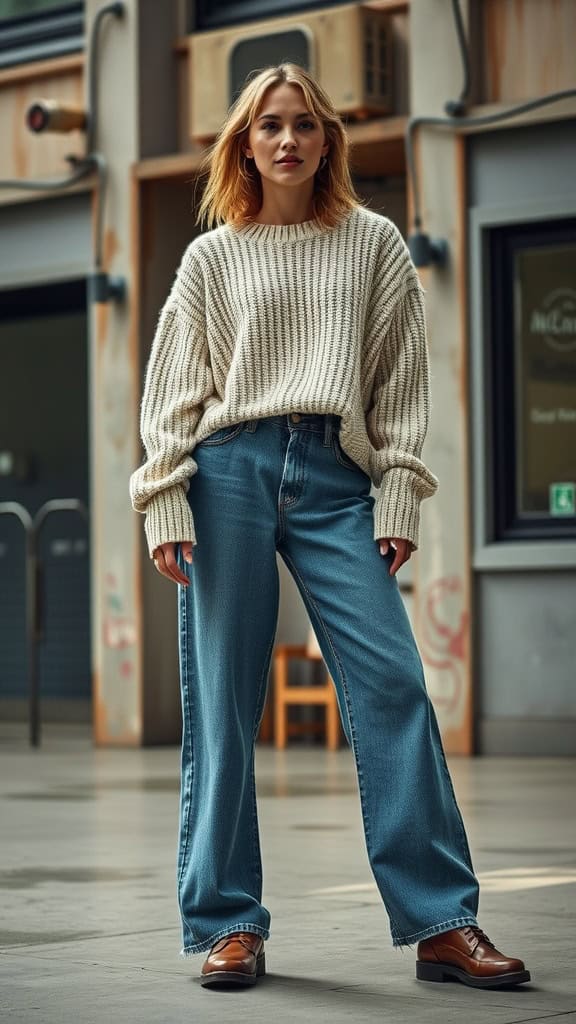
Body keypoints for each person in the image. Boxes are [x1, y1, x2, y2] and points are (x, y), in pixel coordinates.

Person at [129, 63, 531, 991]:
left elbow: (400, 386)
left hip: (338, 475)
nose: (287, 140)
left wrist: (397, 496)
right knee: (222, 706)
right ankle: (228, 923)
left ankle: (441, 921)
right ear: (244, 142)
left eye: (304, 124)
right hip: (226, 470)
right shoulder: (211, 258)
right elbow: (169, 401)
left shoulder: (374, 244)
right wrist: (165, 501)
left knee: (392, 686)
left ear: (327, 140)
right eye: (269, 124)